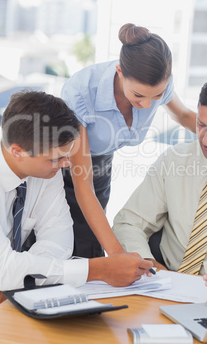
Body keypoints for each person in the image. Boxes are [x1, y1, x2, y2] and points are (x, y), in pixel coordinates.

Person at [0, 90, 153, 306]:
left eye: (66, 156)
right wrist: (97, 270)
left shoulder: (47, 173)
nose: (66, 164)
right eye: (56, 159)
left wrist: (18, 278)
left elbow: (59, 244)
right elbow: (4, 268)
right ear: (17, 151)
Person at [113, 71, 207, 290]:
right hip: (166, 285)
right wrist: (150, 266)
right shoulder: (173, 160)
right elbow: (128, 223)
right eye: (201, 124)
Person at [61, 23, 196, 259]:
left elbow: (183, 115)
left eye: (156, 96)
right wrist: (117, 255)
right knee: (68, 243)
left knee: (92, 246)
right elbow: (83, 185)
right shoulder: (82, 91)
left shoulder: (158, 83)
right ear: (120, 71)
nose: (147, 104)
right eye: (139, 96)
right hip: (61, 167)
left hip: (101, 163)